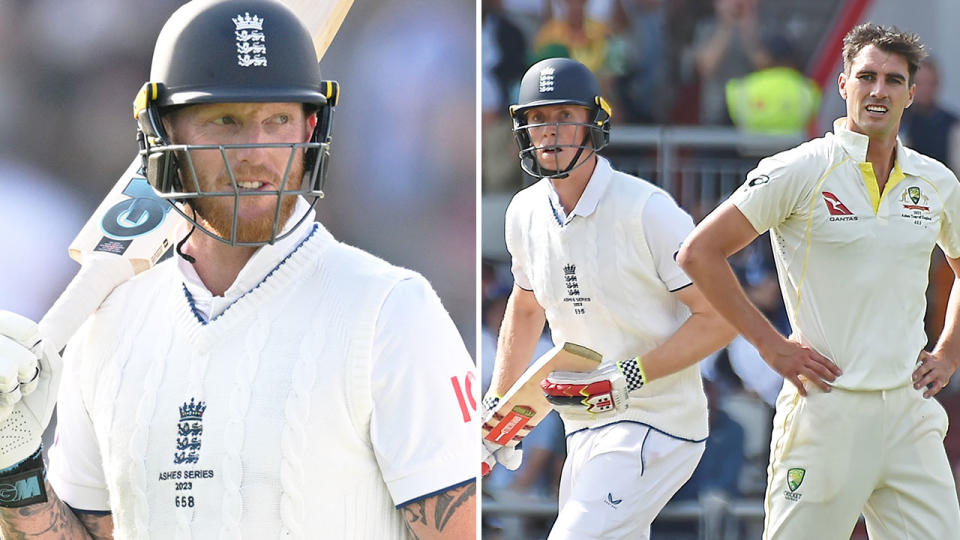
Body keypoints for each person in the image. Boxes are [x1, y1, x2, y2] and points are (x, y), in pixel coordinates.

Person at [0, 1, 476, 539]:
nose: (256, 153)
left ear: (311, 127)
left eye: (278, 120)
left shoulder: (391, 312)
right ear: (163, 131)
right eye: (224, 120)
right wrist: (16, 472)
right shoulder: (108, 328)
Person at [678, 22, 960, 539]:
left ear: (912, 93)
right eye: (867, 76)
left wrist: (949, 352)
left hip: (909, 412)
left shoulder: (937, 180)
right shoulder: (801, 168)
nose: (879, 90)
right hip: (825, 409)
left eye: (894, 80)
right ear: (843, 84)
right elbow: (698, 253)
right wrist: (769, 346)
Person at [482, 56, 736, 539]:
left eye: (564, 117)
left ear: (593, 122)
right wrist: (500, 405)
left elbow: (720, 318)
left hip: (657, 421)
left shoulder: (648, 210)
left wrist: (625, 378)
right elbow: (528, 304)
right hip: (583, 426)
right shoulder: (524, 212)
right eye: (538, 119)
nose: (550, 132)